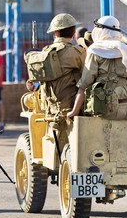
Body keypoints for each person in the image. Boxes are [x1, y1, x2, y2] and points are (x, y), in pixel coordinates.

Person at [25, 13, 85, 151]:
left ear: (55, 32)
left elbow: (35, 81)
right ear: (74, 31)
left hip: (51, 111)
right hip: (74, 110)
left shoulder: (44, 53)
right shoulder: (77, 52)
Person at [67, 16, 127, 120]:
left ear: (100, 31)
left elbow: (84, 84)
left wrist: (74, 111)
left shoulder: (95, 51)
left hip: (111, 111)